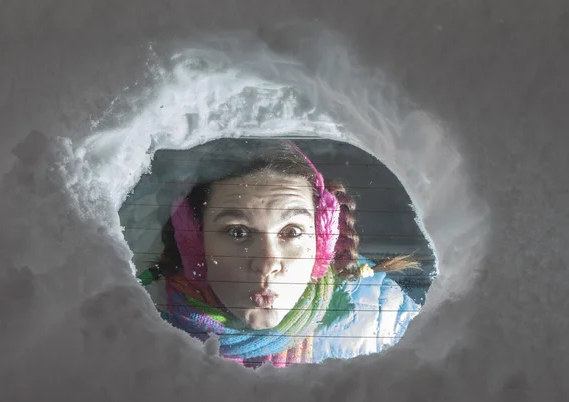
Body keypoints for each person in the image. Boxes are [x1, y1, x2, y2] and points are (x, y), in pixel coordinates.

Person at [140, 140, 421, 368]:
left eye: (292, 232)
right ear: (196, 245)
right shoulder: (139, 321)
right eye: (238, 232)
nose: (267, 264)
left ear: (322, 246)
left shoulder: (386, 320)